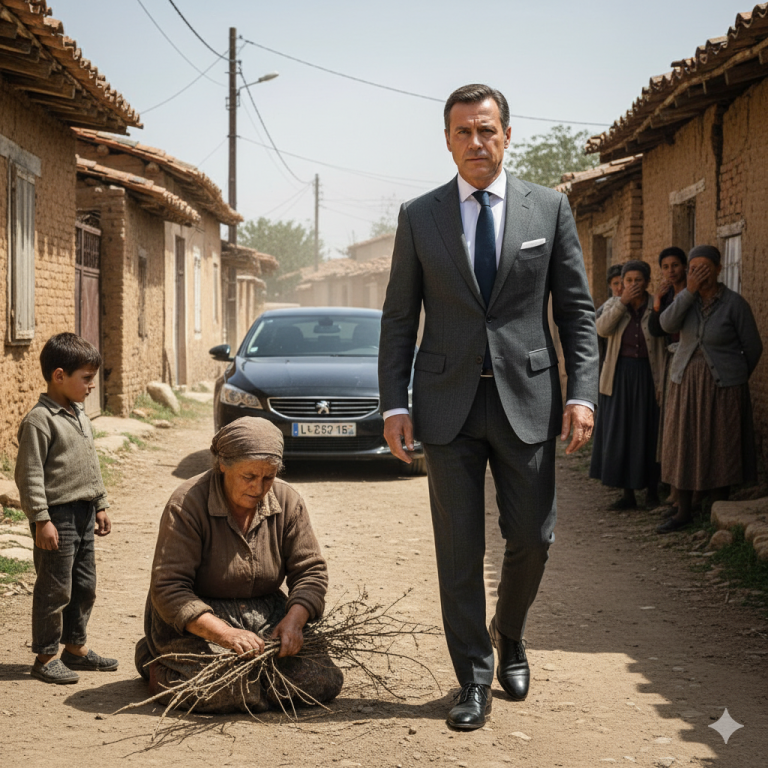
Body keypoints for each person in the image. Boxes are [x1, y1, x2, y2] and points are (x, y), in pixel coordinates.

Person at [379, 84, 598, 730]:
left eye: (488, 130)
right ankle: (473, 677)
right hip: (445, 406)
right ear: (448, 141)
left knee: (533, 536)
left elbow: (577, 313)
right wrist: (395, 403)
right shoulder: (420, 216)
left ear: (507, 135)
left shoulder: (549, 209)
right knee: (459, 550)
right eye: (464, 132)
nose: (478, 142)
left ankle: (512, 631)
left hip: (526, 400)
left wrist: (582, 391)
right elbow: (399, 318)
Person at [134, 416, 343, 713]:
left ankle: (255, 683)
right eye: (249, 477)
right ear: (223, 465)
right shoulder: (187, 504)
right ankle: (154, 658)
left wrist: (294, 621)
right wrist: (225, 635)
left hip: (264, 613)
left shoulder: (287, 500)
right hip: (196, 619)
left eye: (268, 477)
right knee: (227, 691)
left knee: (321, 681)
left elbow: (310, 572)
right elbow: (169, 588)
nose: (259, 488)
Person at [15, 333, 117, 685]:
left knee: (84, 584)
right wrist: (41, 519)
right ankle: (45, 657)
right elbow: (29, 476)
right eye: (86, 378)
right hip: (57, 517)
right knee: (55, 588)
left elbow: (91, 463)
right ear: (59, 376)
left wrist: (100, 503)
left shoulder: (77, 413)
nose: (92, 386)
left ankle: (76, 648)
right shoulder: (39, 421)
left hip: (84, 513)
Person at [657, 245, 762, 534]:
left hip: (723, 389)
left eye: (705, 268)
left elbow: (752, 348)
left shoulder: (734, 304)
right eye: (693, 269)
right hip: (685, 386)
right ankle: (684, 511)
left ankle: (719, 508)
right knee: (685, 444)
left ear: (718, 269)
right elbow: (665, 323)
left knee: (721, 444)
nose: (699, 274)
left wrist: (734, 377)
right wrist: (688, 291)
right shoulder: (684, 300)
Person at [590, 261, 667, 509]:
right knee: (622, 433)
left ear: (647, 282)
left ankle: (652, 492)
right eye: (628, 280)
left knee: (648, 431)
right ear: (622, 283)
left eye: (638, 280)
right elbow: (601, 329)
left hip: (648, 375)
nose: (633, 285)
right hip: (619, 376)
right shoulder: (614, 304)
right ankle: (627, 494)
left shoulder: (656, 304)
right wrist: (622, 303)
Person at [647, 247, 688, 513]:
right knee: (672, 428)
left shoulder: (691, 294)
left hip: (690, 362)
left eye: (675, 265)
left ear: (684, 266)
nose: (670, 271)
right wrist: (658, 304)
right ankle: (674, 493)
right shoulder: (667, 295)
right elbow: (655, 330)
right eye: (665, 267)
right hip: (672, 363)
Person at [596, 264, 624, 372]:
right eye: (615, 284)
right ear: (610, 286)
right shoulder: (601, 312)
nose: (620, 288)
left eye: (622, 283)